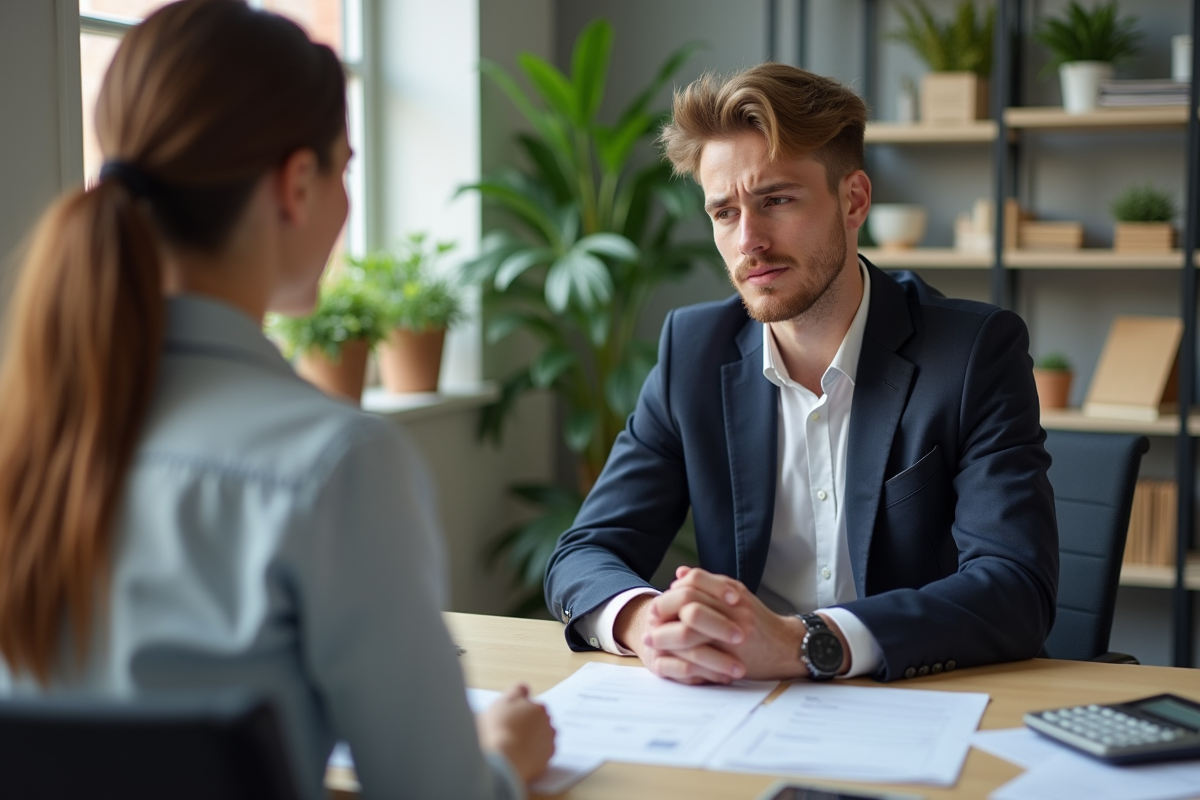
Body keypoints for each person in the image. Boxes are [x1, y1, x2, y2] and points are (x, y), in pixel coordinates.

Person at [0, 2, 553, 798]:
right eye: (347, 166)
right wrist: (500, 759)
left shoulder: (32, 436)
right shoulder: (335, 467)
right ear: (297, 184)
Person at [544, 63, 1059, 686]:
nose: (748, 241)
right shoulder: (693, 352)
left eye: (776, 201)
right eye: (724, 213)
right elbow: (586, 553)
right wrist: (649, 622)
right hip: (738, 707)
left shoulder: (973, 352)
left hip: (909, 703)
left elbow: (1014, 588)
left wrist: (802, 642)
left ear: (854, 200)